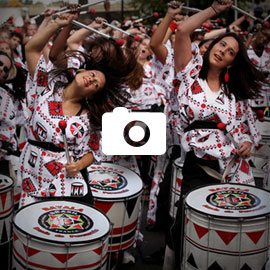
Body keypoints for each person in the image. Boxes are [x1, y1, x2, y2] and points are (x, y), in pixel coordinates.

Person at [171, 0, 267, 268]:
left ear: (233, 63)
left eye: (231, 52)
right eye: (222, 44)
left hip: (234, 168)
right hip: (199, 164)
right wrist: (214, 10)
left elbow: (243, 131)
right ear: (212, 46)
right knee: (187, 224)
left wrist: (247, 143)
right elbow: (181, 32)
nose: (223, 51)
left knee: (232, 230)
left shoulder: (233, 95)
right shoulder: (189, 74)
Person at [17, 12, 138, 207]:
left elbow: (93, 150)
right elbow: (31, 48)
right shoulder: (45, 87)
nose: (91, 79)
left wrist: (79, 165)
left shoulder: (87, 117)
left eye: (96, 84)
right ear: (81, 71)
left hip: (67, 184)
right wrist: (57, 24)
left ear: (92, 94)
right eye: (92, 75)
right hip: (33, 177)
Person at [0, 51, 18, 176]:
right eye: (0, 64)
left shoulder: (4, 97)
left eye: (5, 69)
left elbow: (9, 128)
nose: (1, 69)